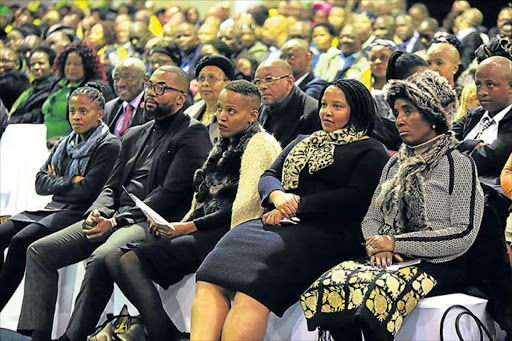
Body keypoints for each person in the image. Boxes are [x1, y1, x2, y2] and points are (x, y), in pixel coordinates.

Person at [17, 66, 212, 341]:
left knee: (100, 257)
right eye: (150, 85)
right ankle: (36, 336)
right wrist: (98, 211)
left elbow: (170, 193)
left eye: (161, 88)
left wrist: (116, 220)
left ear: (181, 99)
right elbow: (111, 184)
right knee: (39, 251)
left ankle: (73, 337)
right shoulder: (135, 133)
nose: (151, 93)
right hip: (113, 215)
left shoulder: (193, 133)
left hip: (149, 220)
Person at [191, 79, 390, 341]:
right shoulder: (304, 141)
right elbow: (270, 175)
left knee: (251, 290)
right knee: (210, 276)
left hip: (330, 233)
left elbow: (354, 199)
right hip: (281, 222)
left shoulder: (372, 150)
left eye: (337, 106)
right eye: (324, 105)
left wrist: (294, 205)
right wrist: (277, 195)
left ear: (358, 110)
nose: (326, 112)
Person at [301, 70, 484, 341]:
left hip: (439, 264)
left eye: (408, 111)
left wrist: (396, 244)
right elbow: (372, 217)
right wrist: (376, 246)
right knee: (332, 284)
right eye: (397, 112)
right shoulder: (395, 162)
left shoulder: (459, 165)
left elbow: (462, 233)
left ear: (433, 117)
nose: (399, 120)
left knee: (377, 295)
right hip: (391, 258)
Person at [105, 80, 282, 341]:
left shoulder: (260, 144)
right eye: (220, 108)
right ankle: (166, 332)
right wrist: (175, 224)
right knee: (113, 258)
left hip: (229, 234)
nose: (221, 116)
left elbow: (244, 207)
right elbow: (202, 199)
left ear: (253, 115)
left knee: (129, 260)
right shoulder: (226, 141)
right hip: (204, 228)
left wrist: (187, 227)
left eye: (231, 111)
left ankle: (162, 335)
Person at [0, 84, 121, 312]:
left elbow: (88, 190)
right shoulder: (66, 142)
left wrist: (63, 181)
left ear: (100, 114)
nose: (76, 117)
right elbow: (39, 182)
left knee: (19, 242)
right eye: (72, 111)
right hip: (51, 207)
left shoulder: (109, 144)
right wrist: (70, 180)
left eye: (83, 111)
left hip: (77, 213)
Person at [42, 40, 113, 144]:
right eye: (68, 64)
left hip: (72, 144)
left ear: (87, 66)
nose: (71, 68)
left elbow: (99, 122)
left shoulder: (96, 87)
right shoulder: (58, 84)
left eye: (77, 64)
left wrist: (65, 141)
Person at [255, 59, 321, 147]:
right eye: (258, 81)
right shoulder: (260, 109)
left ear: (289, 82)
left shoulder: (313, 112)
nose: (262, 86)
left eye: (269, 79)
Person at [185, 55, 234, 144]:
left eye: (212, 78)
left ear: (228, 83)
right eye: (201, 78)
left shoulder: (234, 115)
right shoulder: (190, 112)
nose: (205, 83)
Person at [8, 46, 56, 124]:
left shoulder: (53, 88)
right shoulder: (32, 88)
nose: (36, 67)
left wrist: (11, 121)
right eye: (32, 64)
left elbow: (36, 115)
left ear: (52, 66)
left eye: (41, 63)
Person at [103, 57, 148, 138]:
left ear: (145, 79)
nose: (120, 84)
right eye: (116, 79)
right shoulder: (109, 108)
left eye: (128, 78)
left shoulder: (152, 107)